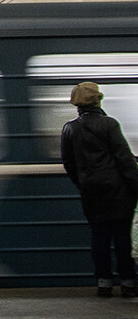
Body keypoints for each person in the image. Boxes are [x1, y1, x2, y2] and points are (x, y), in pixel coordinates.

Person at [60, 81, 138, 298]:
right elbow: (124, 159)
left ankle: (104, 284)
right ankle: (128, 283)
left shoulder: (69, 128)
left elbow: (69, 163)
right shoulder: (109, 124)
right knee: (122, 238)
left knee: (99, 237)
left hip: (91, 192)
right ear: (98, 99)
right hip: (118, 190)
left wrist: (83, 183)